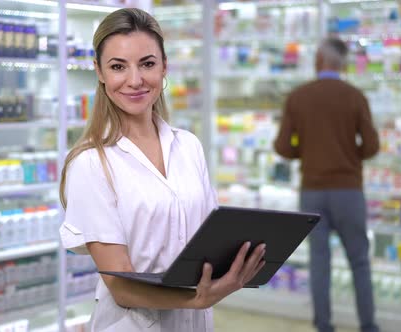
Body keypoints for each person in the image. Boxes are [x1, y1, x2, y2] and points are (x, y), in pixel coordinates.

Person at [59, 8, 266, 332]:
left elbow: (207, 246)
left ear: (164, 66)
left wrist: (238, 266)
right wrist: (195, 299)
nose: (135, 80)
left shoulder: (188, 147)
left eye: (147, 63)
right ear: (99, 72)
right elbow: (121, 286)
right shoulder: (90, 163)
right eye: (118, 67)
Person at [273, 37, 380, 332]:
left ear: (319, 60)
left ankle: (323, 326)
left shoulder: (298, 97)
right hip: (348, 191)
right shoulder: (355, 96)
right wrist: (349, 155)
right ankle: (369, 326)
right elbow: (371, 146)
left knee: (320, 263)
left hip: (312, 191)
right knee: (359, 261)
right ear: (341, 63)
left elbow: (282, 146)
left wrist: (305, 152)